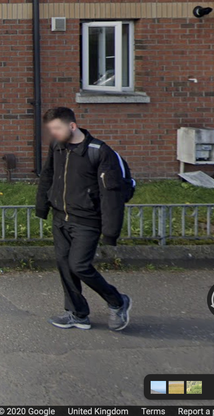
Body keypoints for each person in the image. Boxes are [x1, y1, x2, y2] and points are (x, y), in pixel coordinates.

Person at [35, 107, 132, 331]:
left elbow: (111, 195)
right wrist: (42, 206)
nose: (53, 133)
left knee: (79, 266)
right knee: (65, 266)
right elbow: (48, 175)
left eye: (57, 128)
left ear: (72, 126)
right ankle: (77, 314)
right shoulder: (57, 146)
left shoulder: (100, 152)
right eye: (51, 129)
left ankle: (117, 301)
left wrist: (110, 232)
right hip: (60, 217)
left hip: (87, 221)